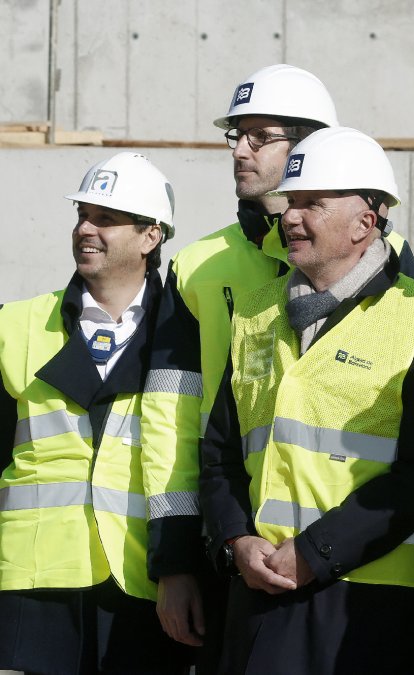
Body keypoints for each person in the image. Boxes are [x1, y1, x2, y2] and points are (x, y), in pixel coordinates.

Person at [141, 65, 414, 664]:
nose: (240, 150)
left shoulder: (392, 267)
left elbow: (405, 436)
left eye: (259, 136)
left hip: (358, 573)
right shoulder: (196, 265)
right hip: (234, 549)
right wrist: (179, 557)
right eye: (235, 136)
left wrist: (322, 549)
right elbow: (175, 424)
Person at [198, 127, 414, 673]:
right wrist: (236, 540)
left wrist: (317, 552)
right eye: (290, 202)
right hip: (259, 593)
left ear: (367, 220)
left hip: (371, 607)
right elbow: (218, 452)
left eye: (313, 204)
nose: (290, 217)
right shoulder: (254, 313)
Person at [0, 152, 192, 674]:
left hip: (142, 580)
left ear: (151, 237)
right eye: (82, 215)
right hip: (36, 581)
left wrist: (181, 568)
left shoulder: (186, 335)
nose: (86, 229)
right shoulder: (15, 324)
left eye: (105, 219)